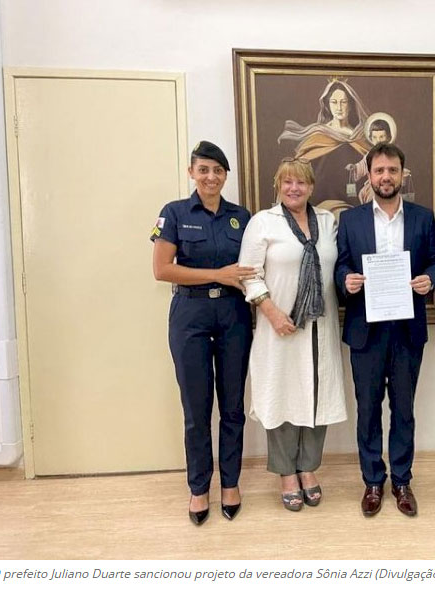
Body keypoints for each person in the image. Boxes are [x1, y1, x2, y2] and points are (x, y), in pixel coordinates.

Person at [335, 142, 435, 517]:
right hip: (365, 330)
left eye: (392, 170)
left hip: (406, 330)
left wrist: (431, 279)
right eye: (379, 170)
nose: (386, 176)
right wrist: (345, 280)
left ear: (402, 174)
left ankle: (401, 480)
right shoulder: (351, 221)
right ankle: (372, 481)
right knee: (367, 410)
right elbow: (341, 265)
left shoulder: (422, 218)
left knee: (403, 410)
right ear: (369, 175)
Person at [150, 140, 255, 525]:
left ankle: (230, 483)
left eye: (218, 170)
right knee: (196, 409)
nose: (211, 177)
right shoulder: (174, 213)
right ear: (192, 172)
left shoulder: (241, 217)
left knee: (232, 406)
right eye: (204, 170)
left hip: (233, 314)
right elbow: (162, 269)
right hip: (190, 314)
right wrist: (218, 274)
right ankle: (198, 487)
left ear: (226, 175)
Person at [238, 157, 347, 511]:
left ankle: (308, 467)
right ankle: (286, 472)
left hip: (320, 326)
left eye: (301, 182)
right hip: (280, 328)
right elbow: (248, 274)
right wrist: (271, 312)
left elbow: (339, 267)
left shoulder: (327, 222)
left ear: (311, 187)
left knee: (317, 395)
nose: (294, 188)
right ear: (278, 186)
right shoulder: (263, 222)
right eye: (287, 182)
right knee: (282, 394)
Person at [278, 78, 372, 210]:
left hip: (357, 205)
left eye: (343, 102)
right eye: (334, 102)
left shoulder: (361, 137)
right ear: (327, 105)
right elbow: (301, 170)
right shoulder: (319, 135)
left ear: (350, 105)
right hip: (322, 205)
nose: (339, 107)